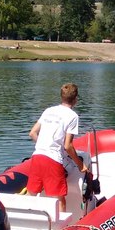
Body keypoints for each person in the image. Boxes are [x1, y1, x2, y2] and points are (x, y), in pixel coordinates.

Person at [26, 83, 88, 211]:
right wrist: (80, 165)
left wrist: (44, 145)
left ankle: (25, 220)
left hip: (37, 156)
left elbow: (32, 133)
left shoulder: (49, 110)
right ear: (76, 99)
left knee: (30, 193)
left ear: (61, 97)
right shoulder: (73, 116)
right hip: (53, 159)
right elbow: (68, 145)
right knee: (60, 199)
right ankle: (60, 229)